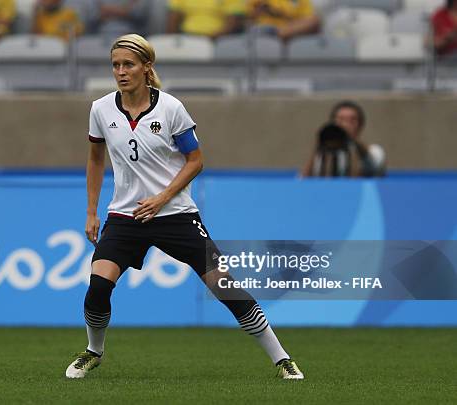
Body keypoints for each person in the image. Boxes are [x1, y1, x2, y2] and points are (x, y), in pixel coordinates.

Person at [65, 33, 304, 380]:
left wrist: (162, 198)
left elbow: (195, 161)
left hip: (175, 214)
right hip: (125, 216)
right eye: (115, 65)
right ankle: (93, 351)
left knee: (225, 286)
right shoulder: (101, 109)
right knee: (98, 287)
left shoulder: (171, 108)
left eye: (128, 64)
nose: (120, 71)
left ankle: (282, 359)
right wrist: (90, 211)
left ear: (147, 67)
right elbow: (94, 158)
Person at [301, 100, 386, 178]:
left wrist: (354, 142)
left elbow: (375, 169)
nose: (345, 124)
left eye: (352, 120)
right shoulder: (323, 153)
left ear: (360, 125)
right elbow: (302, 180)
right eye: (340, 120)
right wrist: (319, 145)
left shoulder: (374, 151)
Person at [245, 0, 320, 42]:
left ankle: (275, 33)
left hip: (291, 33)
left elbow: (309, 20)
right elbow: (248, 16)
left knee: (315, 20)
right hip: (261, 30)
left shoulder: (301, 1)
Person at [166, 0, 245, 39]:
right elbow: (173, 18)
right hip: (187, 36)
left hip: (219, 40)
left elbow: (233, 23)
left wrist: (208, 39)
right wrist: (174, 39)